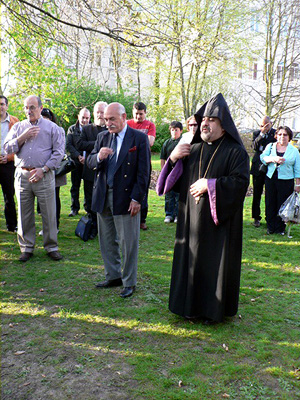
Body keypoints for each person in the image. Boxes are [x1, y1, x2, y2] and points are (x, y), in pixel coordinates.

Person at [157, 93, 249, 323]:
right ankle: (189, 307)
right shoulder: (192, 148)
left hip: (219, 226)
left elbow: (240, 184)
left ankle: (212, 311)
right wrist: (174, 158)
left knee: (213, 264)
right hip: (190, 220)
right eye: (204, 119)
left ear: (224, 126)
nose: (205, 123)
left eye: (212, 120)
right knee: (191, 261)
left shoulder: (236, 152)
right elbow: (172, 183)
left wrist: (211, 185)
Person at [87, 102, 150, 298]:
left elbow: (144, 173)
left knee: (128, 242)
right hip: (103, 196)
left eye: (112, 119)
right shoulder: (102, 137)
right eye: (106, 119)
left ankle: (129, 281)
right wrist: (98, 156)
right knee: (106, 240)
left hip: (126, 197)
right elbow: (89, 162)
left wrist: (137, 199)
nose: (108, 123)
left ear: (123, 117)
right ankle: (113, 276)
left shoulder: (138, 138)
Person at [4, 95, 64, 262]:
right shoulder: (18, 127)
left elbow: (59, 153)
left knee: (48, 213)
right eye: (25, 107)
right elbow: (7, 147)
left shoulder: (53, 128)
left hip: (44, 176)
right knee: (24, 213)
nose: (28, 111)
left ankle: (51, 246)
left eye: (31, 107)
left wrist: (43, 169)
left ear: (40, 107)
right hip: (22, 175)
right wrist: (23, 136)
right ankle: (26, 247)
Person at [260, 126, 300, 235]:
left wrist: (298, 184)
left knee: (282, 205)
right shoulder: (271, 146)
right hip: (271, 179)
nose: (282, 137)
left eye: (285, 135)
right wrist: (274, 159)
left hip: (286, 181)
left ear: (289, 137)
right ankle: (270, 227)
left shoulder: (294, 151)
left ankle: (280, 228)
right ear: (276, 135)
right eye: (280, 134)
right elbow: (262, 157)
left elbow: (297, 169)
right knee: (270, 202)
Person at [78, 102, 107, 239]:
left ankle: (104, 227)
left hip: (106, 171)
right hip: (90, 169)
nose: (100, 115)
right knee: (90, 199)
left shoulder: (110, 129)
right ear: (94, 113)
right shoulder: (87, 129)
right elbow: (80, 144)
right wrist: (98, 144)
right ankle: (93, 226)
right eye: (98, 112)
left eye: (102, 112)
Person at [127, 101, 156, 230]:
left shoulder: (150, 125)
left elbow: (150, 142)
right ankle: (128, 216)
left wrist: (133, 143)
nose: (139, 117)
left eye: (141, 114)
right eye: (136, 114)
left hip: (144, 162)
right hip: (128, 163)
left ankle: (142, 219)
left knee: (143, 190)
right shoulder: (127, 124)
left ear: (145, 113)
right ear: (133, 112)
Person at [39, 108, 66, 234]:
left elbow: (60, 151)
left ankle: (55, 226)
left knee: (54, 198)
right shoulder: (35, 129)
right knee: (41, 201)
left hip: (54, 170)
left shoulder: (58, 130)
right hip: (39, 170)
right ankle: (45, 226)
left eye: (46, 118)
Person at [250, 116, 276, 227]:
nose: (263, 127)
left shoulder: (276, 134)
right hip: (258, 168)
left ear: (271, 123)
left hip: (271, 167)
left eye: (266, 125)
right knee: (257, 194)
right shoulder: (257, 133)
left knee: (270, 194)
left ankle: (269, 217)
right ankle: (256, 217)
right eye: (261, 125)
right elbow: (254, 147)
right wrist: (262, 134)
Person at [66, 107, 91, 217]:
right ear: (78, 117)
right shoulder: (72, 129)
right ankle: (74, 208)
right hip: (76, 162)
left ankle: (88, 208)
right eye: (83, 118)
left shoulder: (92, 129)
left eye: (87, 118)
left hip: (89, 162)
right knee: (75, 186)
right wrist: (78, 156)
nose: (85, 120)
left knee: (88, 187)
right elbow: (69, 145)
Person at [0, 95, 19, 232]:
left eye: (2, 104)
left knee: (9, 196)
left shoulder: (15, 122)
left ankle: (11, 225)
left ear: (7, 106)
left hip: (8, 164)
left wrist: (9, 157)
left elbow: (19, 144)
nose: (0, 107)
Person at [160, 121, 183, 223]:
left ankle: (178, 215)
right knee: (169, 194)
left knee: (178, 195)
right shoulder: (166, 143)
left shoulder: (183, 142)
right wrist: (163, 172)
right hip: (169, 173)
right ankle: (169, 214)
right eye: (172, 130)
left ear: (181, 131)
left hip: (179, 174)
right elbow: (162, 158)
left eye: (176, 130)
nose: (174, 132)